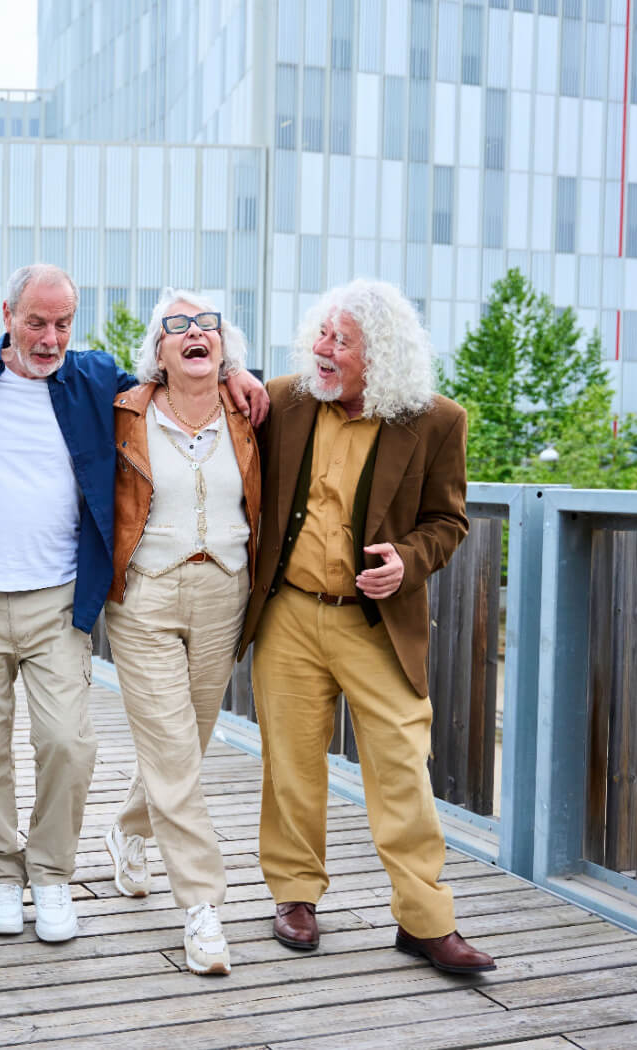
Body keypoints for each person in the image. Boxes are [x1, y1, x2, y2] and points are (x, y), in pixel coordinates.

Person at [0, 264, 267, 942]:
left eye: (63, 324)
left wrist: (233, 375)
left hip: (57, 600)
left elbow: (174, 384)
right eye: (36, 322)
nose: (50, 338)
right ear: (7, 314)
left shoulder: (96, 379)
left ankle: (50, 874)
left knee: (69, 744)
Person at [238, 278, 496, 974]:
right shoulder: (286, 402)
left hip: (376, 623)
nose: (322, 350)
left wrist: (406, 563)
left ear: (378, 356)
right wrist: (234, 369)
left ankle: (424, 920)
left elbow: (448, 522)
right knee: (291, 763)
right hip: (289, 612)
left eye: (340, 341)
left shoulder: (436, 420)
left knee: (402, 770)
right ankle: (294, 894)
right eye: (321, 333)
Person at [102, 290, 260, 975]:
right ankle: (202, 908)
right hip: (145, 591)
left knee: (187, 744)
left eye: (207, 326)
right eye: (178, 327)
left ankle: (128, 827)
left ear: (226, 348)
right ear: (158, 352)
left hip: (225, 587)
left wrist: (244, 379)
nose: (194, 333)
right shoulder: (125, 411)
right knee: (172, 750)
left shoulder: (254, 411)